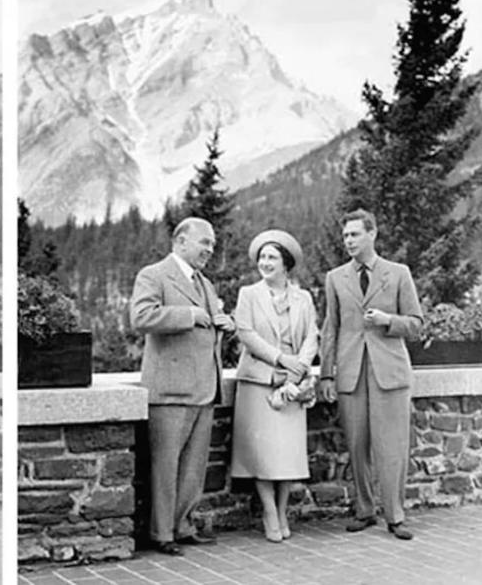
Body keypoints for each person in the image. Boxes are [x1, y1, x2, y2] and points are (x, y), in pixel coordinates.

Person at [130, 217, 234, 556]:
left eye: (212, 244)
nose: (209, 249)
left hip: (204, 388)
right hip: (170, 390)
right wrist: (189, 315)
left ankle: (184, 525)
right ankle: (162, 533)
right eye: (204, 242)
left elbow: (208, 327)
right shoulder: (154, 274)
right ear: (180, 241)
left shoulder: (206, 284)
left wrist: (225, 323)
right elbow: (141, 318)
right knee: (165, 465)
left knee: (193, 467)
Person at [319, 209, 423, 540]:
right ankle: (365, 510)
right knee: (357, 445)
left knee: (392, 447)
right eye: (345, 236)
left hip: (389, 373)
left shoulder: (398, 273)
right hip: (351, 373)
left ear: (372, 234)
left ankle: (395, 515)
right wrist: (326, 375)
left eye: (354, 234)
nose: (348, 241)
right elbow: (330, 328)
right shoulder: (335, 277)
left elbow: (417, 325)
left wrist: (387, 320)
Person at [230, 230, 318, 543]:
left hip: (292, 384)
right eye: (262, 257)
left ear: (286, 264)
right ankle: (269, 510)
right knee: (263, 453)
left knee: (287, 453)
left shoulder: (303, 298)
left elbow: (311, 336)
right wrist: (281, 359)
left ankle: (282, 510)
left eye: (272, 258)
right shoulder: (248, 294)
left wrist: (300, 367)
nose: (265, 263)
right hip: (259, 381)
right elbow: (246, 334)